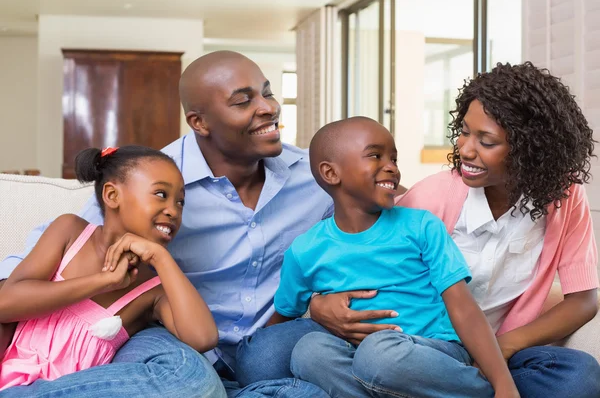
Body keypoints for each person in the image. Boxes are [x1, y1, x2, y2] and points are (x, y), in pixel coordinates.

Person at [0, 51, 335, 397]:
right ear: (199, 122)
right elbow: (51, 260)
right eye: (243, 101)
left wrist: (161, 258)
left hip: (257, 352)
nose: (268, 108)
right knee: (190, 380)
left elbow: (383, 204)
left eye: (268, 93)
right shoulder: (149, 175)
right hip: (167, 346)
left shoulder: (318, 176)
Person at [299, 62, 600, 397]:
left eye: (486, 141)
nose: (465, 149)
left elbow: (584, 300)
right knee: (323, 353)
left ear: (531, 150)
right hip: (419, 345)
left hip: (498, 351)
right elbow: (359, 260)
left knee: (578, 375)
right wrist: (320, 303)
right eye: (465, 131)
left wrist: (506, 345)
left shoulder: (564, 196)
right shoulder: (431, 197)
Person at [265, 116, 519, 397]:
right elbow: (282, 318)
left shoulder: (422, 226)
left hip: (432, 352)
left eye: (394, 159)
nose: (392, 167)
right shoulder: (305, 250)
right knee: (308, 351)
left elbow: (463, 306)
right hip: (358, 359)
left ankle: (479, 393)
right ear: (330, 173)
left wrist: (503, 382)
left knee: (379, 353)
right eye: (375, 155)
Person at [0, 146, 224, 397]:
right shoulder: (70, 232)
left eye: (180, 202)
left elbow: (202, 338)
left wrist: (161, 257)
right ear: (112, 195)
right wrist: (103, 281)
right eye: (161, 194)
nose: (173, 211)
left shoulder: (153, 290)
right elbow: (5, 303)